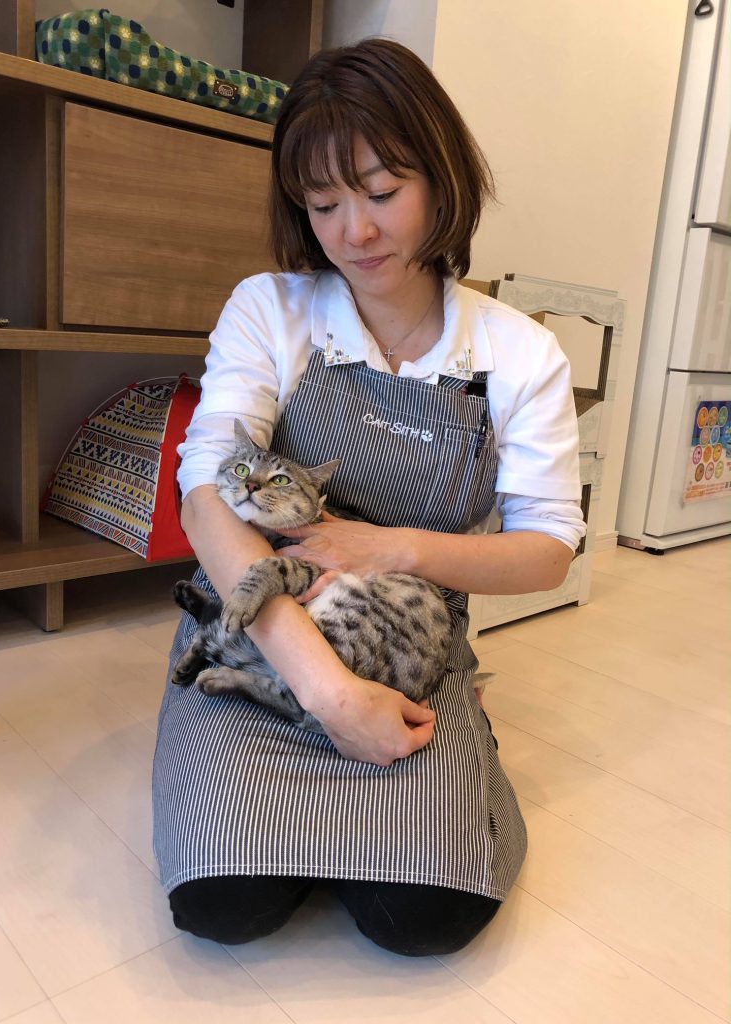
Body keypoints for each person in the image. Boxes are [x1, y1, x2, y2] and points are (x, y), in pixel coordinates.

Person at [153, 37, 585, 958]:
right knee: (224, 907)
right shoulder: (270, 308)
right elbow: (204, 496)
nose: (356, 232)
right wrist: (326, 689)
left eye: (384, 192)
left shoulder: (516, 353)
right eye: (323, 204)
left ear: (442, 179)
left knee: (426, 922)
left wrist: (386, 548)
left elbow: (548, 551)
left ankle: (449, 756)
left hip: (408, 657)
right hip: (266, 640)